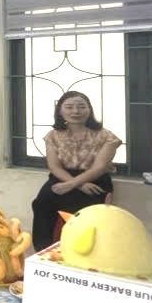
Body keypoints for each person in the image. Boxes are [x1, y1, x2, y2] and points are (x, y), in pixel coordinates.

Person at [30, 91, 121, 251]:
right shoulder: (52, 136)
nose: (76, 111)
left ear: (89, 110)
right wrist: (77, 185)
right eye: (69, 107)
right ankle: (44, 251)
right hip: (61, 178)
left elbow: (100, 167)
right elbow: (54, 166)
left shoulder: (106, 136)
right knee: (41, 204)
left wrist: (73, 184)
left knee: (89, 214)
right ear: (60, 111)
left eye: (81, 107)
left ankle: (85, 254)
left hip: (94, 180)